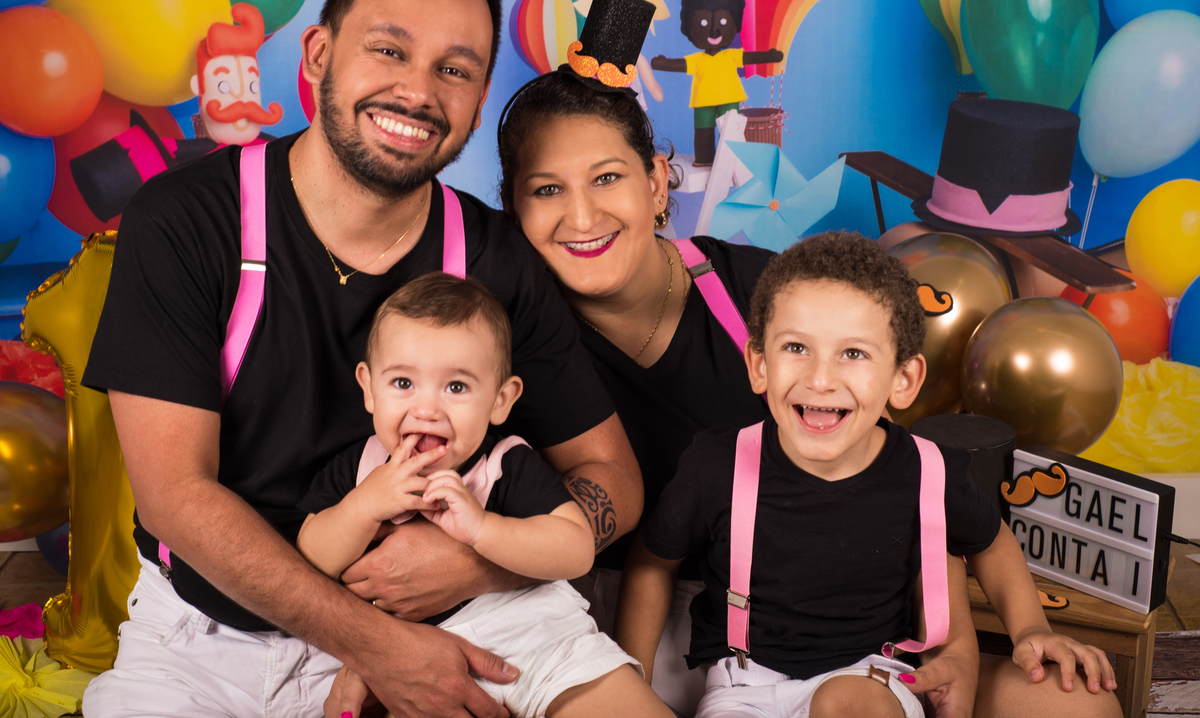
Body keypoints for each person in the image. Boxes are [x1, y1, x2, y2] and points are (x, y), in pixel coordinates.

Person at [80, 0, 643, 718]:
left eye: (454, 69)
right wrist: (375, 645)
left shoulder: (495, 257)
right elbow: (176, 496)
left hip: (463, 608)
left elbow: (612, 476)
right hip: (211, 635)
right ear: (318, 55)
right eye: (388, 49)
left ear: (479, 101)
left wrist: (476, 561)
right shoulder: (186, 219)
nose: (418, 91)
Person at [498, 71, 1122, 718]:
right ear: (513, 208)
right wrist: (625, 670)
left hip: (849, 643)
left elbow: (909, 493)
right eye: (547, 189)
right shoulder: (500, 337)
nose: (582, 216)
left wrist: (956, 638)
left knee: (1074, 704)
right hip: (652, 634)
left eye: (606, 177)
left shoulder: (781, 297)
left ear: (656, 181)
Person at [615, 231, 1116, 718]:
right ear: (758, 365)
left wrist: (1029, 629)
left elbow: (991, 542)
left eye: (853, 353)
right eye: (796, 348)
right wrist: (632, 682)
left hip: (870, 678)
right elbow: (651, 564)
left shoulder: (926, 469)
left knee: (847, 702)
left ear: (903, 379)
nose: (820, 378)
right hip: (745, 685)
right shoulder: (716, 466)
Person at [296, 272, 671, 718]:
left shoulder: (504, 463)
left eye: (456, 387)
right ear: (369, 388)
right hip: (418, 660)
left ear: (500, 400)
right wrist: (363, 506)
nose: (426, 409)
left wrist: (483, 529)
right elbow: (310, 557)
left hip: (539, 639)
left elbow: (576, 550)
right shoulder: (360, 468)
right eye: (402, 383)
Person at [648, 0, 782, 165]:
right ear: (689, 28)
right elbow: (679, 64)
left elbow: (751, 57)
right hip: (703, 102)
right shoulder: (698, 60)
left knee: (732, 131)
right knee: (703, 131)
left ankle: (733, 161)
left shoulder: (731, 56)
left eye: (723, 21)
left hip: (729, 99)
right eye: (703, 23)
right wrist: (663, 63)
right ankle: (705, 159)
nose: (714, 31)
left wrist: (770, 56)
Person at [190, 2, 284, 146]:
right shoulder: (204, 152)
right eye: (223, 86)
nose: (243, 103)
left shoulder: (269, 145)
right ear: (198, 86)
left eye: (253, 86)